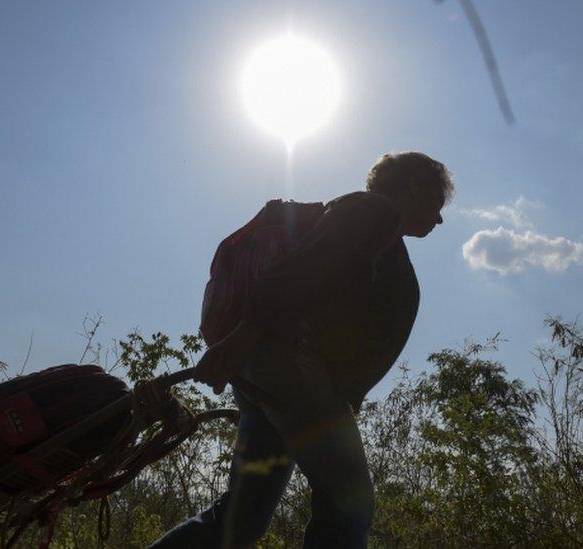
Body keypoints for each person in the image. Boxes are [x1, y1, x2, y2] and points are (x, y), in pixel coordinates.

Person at [149, 151, 453, 549]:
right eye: (437, 203)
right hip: (289, 370)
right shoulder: (373, 211)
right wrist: (240, 340)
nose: (440, 218)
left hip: (271, 376)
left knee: (241, 519)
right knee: (349, 504)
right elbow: (293, 276)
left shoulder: (378, 230)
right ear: (413, 188)